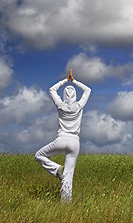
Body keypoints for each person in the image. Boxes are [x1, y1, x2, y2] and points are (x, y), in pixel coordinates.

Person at [35, 70, 91, 202]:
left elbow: (52, 90)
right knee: (69, 175)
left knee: (39, 155)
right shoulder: (79, 106)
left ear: (65, 96)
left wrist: (65, 80)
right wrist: (74, 81)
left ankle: (57, 170)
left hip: (61, 139)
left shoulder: (60, 105)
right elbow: (87, 90)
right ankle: (66, 205)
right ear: (75, 96)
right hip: (75, 142)